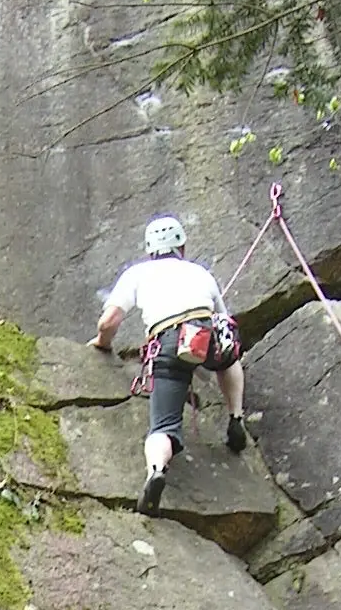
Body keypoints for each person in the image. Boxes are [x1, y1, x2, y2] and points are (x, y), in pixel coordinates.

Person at [92, 213, 247, 516]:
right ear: (182, 247)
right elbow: (224, 322)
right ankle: (236, 417)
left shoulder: (138, 274)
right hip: (206, 335)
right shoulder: (201, 273)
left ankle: (156, 471)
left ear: (150, 250)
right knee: (229, 356)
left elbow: (109, 321)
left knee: (163, 426)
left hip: (170, 342)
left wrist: (102, 342)